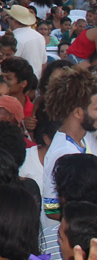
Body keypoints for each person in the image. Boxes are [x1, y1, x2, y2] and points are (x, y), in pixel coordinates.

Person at [41, 67, 97, 220]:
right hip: (65, 238)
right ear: (78, 113)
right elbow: (51, 209)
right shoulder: (63, 151)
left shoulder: (88, 137)